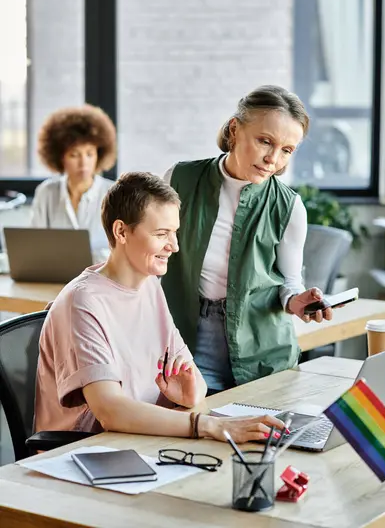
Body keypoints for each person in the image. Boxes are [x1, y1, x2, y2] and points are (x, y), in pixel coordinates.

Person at [34, 172, 285, 444]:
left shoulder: (150, 285)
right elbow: (109, 411)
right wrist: (210, 426)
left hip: (138, 440)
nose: (174, 246)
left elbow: (194, 380)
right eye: (161, 234)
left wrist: (190, 395)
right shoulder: (82, 301)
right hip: (82, 452)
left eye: (174, 233)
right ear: (121, 231)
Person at [162, 85, 334, 394]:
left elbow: (289, 282)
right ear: (234, 129)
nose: (273, 159)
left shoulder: (289, 206)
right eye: (265, 141)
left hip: (263, 349)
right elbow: (148, 257)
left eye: (286, 150)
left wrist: (298, 302)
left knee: (263, 440)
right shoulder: (179, 180)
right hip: (186, 341)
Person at [31, 104, 117, 251]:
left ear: (99, 155)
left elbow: (121, 250)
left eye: (89, 154)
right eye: (74, 155)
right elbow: (35, 246)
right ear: (60, 157)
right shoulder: (46, 192)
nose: (83, 163)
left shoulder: (114, 194)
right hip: (54, 273)